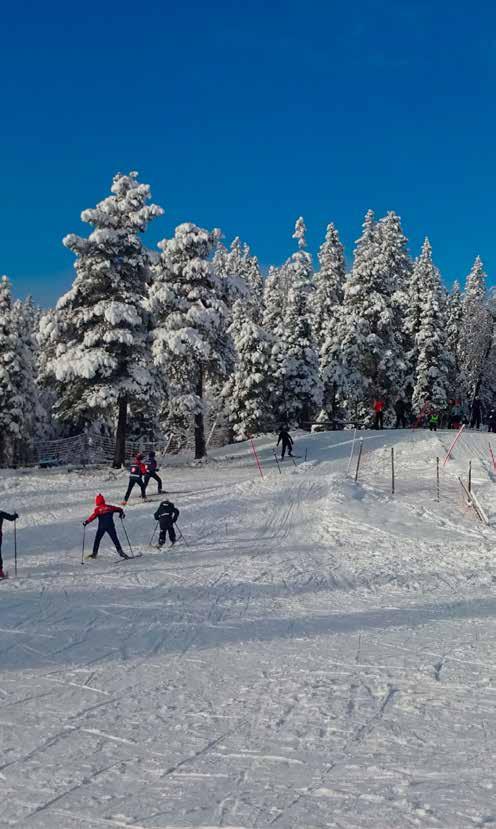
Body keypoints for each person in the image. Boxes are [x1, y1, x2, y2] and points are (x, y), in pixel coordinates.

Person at [83, 494, 128, 559]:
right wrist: (121, 514)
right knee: (115, 539)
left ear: (97, 502)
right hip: (111, 526)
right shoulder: (110, 507)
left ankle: (94, 554)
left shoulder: (98, 509)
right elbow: (120, 509)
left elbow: (93, 516)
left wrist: (86, 522)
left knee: (97, 540)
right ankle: (121, 552)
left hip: (102, 527)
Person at [0, 509, 18, 579]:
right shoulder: (1, 513)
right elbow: (11, 518)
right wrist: (15, 516)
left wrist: (14, 516)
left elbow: (11, 518)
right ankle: (0, 572)